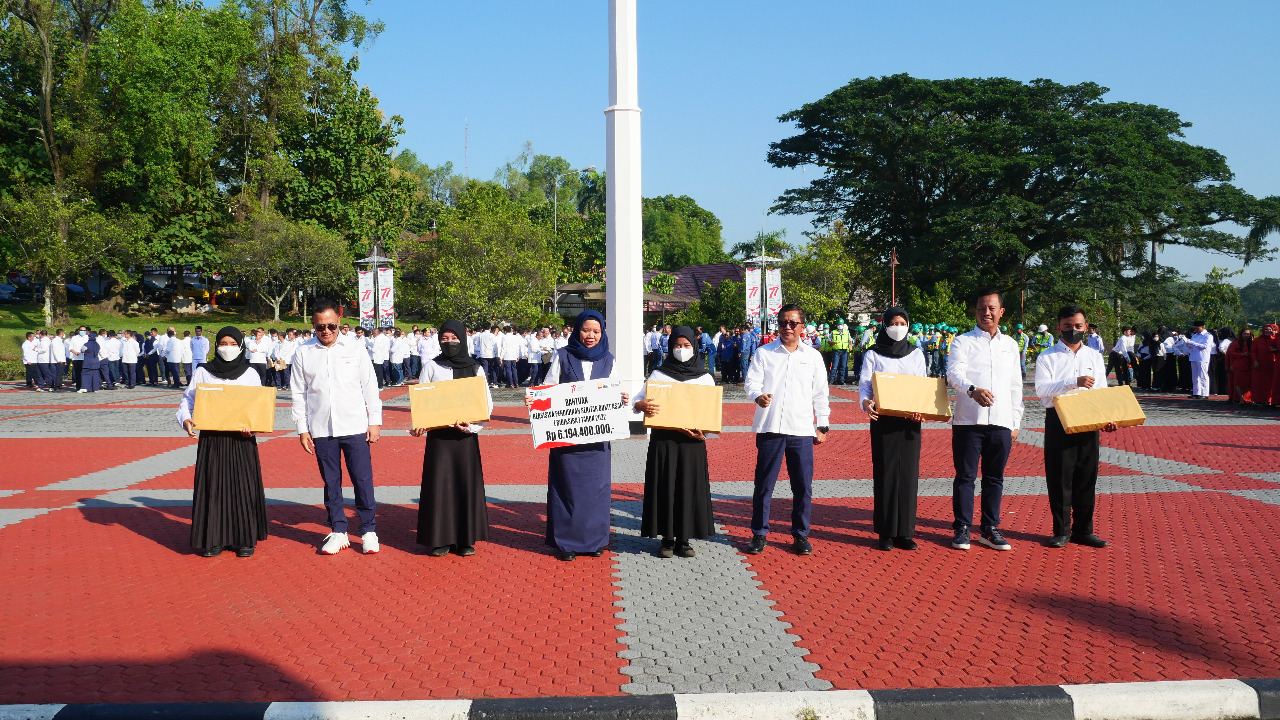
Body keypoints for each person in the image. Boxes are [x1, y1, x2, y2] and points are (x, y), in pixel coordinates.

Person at [532, 310, 628, 561]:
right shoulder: (563, 355)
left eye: (596, 331)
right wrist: (535, 398)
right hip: (566, 438)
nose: (590, 336)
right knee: (567, 488)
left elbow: (614, 390)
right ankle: (566, 543)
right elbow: (548, 388)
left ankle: (595, 541)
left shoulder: (609, 359)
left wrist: (622, 398)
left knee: (596, 490)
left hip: (597, 440)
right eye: (586, 330)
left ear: (602, 333)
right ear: (576, 330)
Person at [291, 299, 383, 556]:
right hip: (321, 428)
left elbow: (370, 387)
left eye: (331, 325)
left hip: (355, 425)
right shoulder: (303, 352)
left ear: (339, 322)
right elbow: (299, 393)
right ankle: (339, 530)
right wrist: (302, 428)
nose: (326, 331)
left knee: (362, 479)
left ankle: (368, 530)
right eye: (320, 327)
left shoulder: (355, 348)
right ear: (313, 326)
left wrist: (374, 421)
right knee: (331, 482)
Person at [743, 304, 830, 556]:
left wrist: (822, 424)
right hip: (770, 427)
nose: (787, 327)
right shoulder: (764, 353)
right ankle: (759, 534)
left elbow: (821, 394)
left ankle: (801, 534)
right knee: (764, 484)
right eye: (782, 323)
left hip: (801, 429)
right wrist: (758, 396)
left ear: (803, 326)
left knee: (802, 485)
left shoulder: (812, 357)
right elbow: (752, 382)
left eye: (793, 323)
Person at [177, 327, 269, 557]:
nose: (227, 347)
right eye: (222, 343)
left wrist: (254, 426)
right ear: (216, 345)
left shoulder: (250, 373)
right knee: (214, 487)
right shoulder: (203, 371)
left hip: (242, 439)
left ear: (240, 346)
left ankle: (244, 539)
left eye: (232, 343)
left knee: (243, 488)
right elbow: (188, 400)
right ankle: (214, 539)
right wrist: (186, 419)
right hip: (212, 439)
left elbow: (258, 406)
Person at [945, 289, 1024, 552]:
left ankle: (990, 528)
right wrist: (972, 390)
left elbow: (1015, 386)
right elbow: (953, 373)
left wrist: (1015, 422)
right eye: (981, 308)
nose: (986, 313)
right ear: (975, 311)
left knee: (994, 478)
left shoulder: (1010, 345)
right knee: (965, 477)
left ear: (1002, 311)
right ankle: (962, 527)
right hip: (969, 421)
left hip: (1001, 422)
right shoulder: (962, 342)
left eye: (991, 308)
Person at [1036, 305, 1116, 549]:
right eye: (1068, 326)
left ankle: (1084, 530)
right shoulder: (1047, 356)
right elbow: (1042, 392)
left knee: (1086, 476)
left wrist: (1108, 417)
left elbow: (1102, 390)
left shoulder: (1093, 356)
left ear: (1085, 326)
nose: (1073, 330)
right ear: (1059, 326)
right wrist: (1073, 382)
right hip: (1059, 418)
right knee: (1060, 477)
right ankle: (1061, 531)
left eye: (1078, 326)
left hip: (1088, 420)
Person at [632, 326, 716, 558]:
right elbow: (638, 400)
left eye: (686, 346)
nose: (682, 350)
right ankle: (667, 540)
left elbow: (711, 412)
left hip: (693, 444)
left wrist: (704, 433)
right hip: (664, 442)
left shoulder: (705, 378)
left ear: (695, 347)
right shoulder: (659, 374)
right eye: (677, 346)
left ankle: (684, 540)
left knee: (689, 488)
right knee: (665, 487)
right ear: (670, 347)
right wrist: (640, 406)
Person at [413, 320, 493, 557]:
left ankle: (465, 540)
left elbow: (486, 403)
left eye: (454, 338)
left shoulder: (475, 368)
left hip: (464, 439)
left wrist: (472, 425)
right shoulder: (431, 367)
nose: (450, 343)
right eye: (445, 339)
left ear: (463, 339)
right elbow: (421, 401)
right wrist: (420, 424)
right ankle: (440, 539)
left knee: (464, 485)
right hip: (439, 439)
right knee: (440, 486)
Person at [858, 308, 926, 551]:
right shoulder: (874, 353)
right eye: (893, 323)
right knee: (886, 473)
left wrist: (922, 408)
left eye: (902, 322)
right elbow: (865, 385)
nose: (898, 327)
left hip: (910, 420)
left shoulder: (916, 353)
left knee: (908, 474)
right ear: (885, 326)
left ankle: (905, 533)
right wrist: (866, 403)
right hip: (883, 419)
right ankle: (886, 532)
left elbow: (922, 385)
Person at [1186, 321, 1214, 399]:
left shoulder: (1208, 336)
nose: (1196, 329)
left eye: (1197, 328)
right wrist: (1188, 344)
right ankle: (1196, 392)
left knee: (1203, 375)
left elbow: (1205, 346)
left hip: (1202, 357)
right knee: (1195, 376)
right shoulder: (1195, 335)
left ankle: (1204, 393)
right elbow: (1192, 346)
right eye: (1195, 328)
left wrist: (1193, 343)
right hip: (1194, 356)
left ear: (1202, 327)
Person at [1251, 324, 1276, 406]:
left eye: (1270, 329)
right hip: (1259, 364)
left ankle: (1268, 400)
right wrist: (1255, 361)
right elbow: (1253, 352)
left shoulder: (1274, 340)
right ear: (1263, 331)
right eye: (1266, 330)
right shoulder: (1257, 340)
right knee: (1258, 383)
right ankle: (1257, 400)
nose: (1268, 331)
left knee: (1269, 384)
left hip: (1270, 364)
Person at [1227, 328, 1253, 403]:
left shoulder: (1252, 342)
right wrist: (1241, 354)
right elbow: (1230, 353)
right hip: (1239, 365)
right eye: (1244, 334)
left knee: (1248, 383)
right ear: (1241, 334)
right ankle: (1241, 399)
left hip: (1249, 365)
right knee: (1239, 383)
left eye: (1248, 334)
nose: (1246, 335)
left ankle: (1248, 398)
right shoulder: (1235, 343)